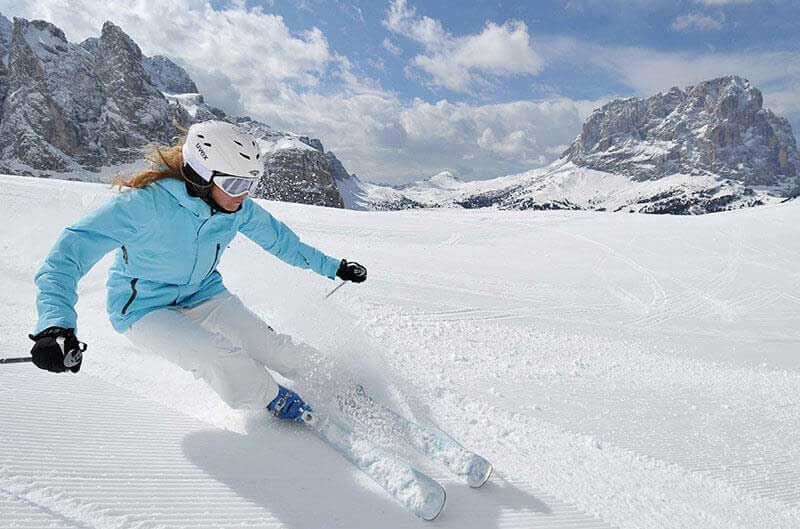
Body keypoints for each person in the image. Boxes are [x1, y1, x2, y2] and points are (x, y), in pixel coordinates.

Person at [28, 120, 367, 423]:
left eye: (250, 184)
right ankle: (274, 400)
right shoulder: (143, 206)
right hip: (145, 309)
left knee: (270, 345)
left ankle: (341, 387)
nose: (243, 195)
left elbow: (282, 242)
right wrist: (54, 326)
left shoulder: (237, 208)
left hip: (204, 293)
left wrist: (333, 266)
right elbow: (65, 258)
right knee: (219, 356)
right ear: (202, 175)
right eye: (234, 185)